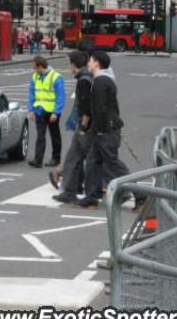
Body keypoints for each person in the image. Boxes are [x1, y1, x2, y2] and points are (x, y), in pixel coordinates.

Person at [79, 51, 130, 208]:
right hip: (102, 130)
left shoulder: (101, 82)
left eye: (91, 60)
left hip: (106, 131)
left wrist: (99, 129)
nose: (88, 62)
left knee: (113, 164)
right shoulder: (101, 80)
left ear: (97, 63)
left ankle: (140, 195)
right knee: (92, 163)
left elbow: (101, 109)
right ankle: (91, 196)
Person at [52, 51, 93, 203]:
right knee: (73, 158)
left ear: (74, 64)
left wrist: (83, 127)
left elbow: (86, 106)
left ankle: (130, 191)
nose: (69, 67)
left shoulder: (84, 80)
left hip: (85, 126)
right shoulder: (86, 77)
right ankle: (70, 191)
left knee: (99, 161)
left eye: (70, 64)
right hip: (83, 125)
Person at [27, 56, 65, 168]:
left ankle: (56, 158)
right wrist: (31, 109)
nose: (33, 70)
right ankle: (38, 160)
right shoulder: (35, 77)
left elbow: (60, 97)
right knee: (40, 136)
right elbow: (31, 94)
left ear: (40, 66)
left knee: (55, 135)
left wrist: (56, 112)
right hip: (39, 110)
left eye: (34, 67)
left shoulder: (56, 77)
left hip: (52, 111)